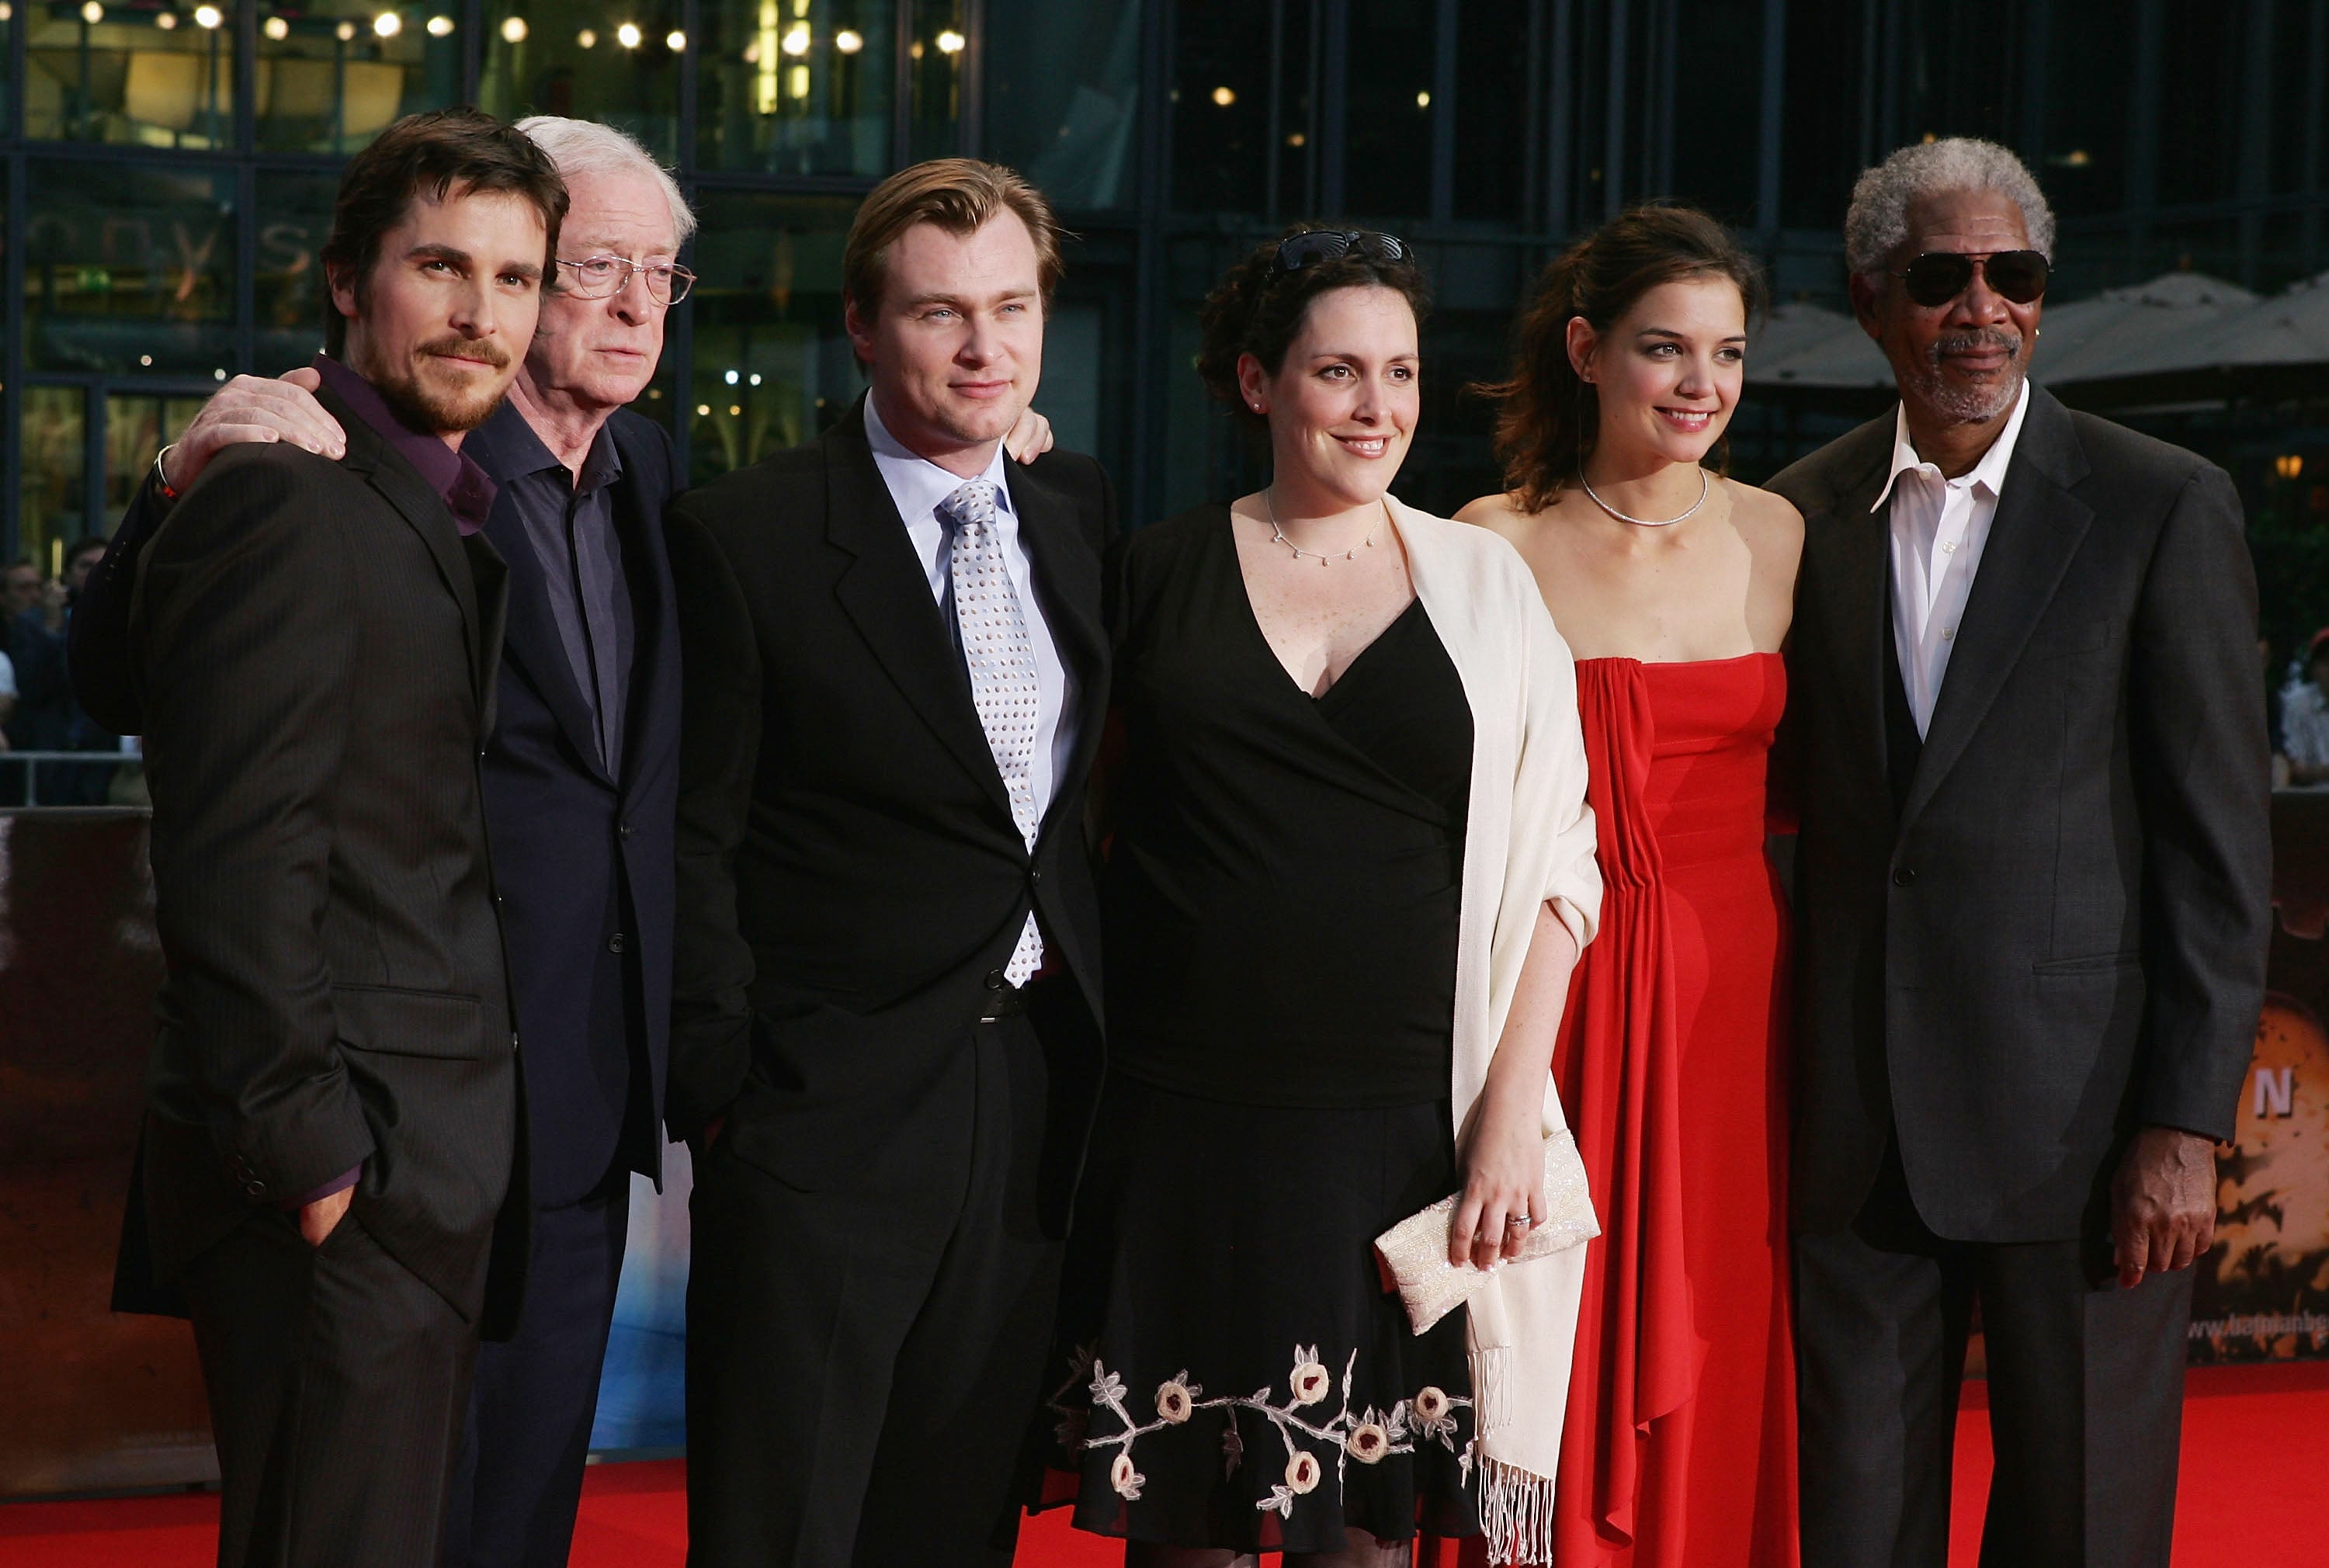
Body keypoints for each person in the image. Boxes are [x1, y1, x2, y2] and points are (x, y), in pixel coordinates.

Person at [77, 115, 746, 1568]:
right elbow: (218, 820)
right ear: (349, 279)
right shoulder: (311, 462)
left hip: (555, 1123)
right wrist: (310, 1151)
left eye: (661, 273)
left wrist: (994, 443)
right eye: (590, 266)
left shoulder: (660, 486)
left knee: (504, 1529)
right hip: (368, 1148)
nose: (628, 302)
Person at [1050, 227, 1601, 1568]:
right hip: (1185, 1126)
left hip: (1403, 1125)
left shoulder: (1486, 586)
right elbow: (1076, 823)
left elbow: (1558, 873)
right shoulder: (1151, 571)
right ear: (1257, 384)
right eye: (1339, 371)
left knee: (1362, 1537)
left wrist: (1511, 1125)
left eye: (1401, 373)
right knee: (1191, 1533)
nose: (1378, 407)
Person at [1766, 137, 2270, 1567]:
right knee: (1857, 1533)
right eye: (1941, 278)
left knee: (2084, 1531)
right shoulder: (1799, 516)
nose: (1980, 309)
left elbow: (2217, 849)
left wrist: (2185, 1123)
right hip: (1855, 1131)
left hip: (2089, 1128)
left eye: (2015, 275)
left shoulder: (2157, 502)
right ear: (1873, 302)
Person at [101, 108, 565, 1567]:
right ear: (348, 283)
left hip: (403, 1168)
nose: (481, 314)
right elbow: (237, 854)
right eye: (441, 266)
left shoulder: (420, 499)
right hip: (339, 1178)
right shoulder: (293, 496)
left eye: (515, 278)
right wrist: (311, 1160)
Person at [665, 158, 1112, 1567]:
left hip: (1036, 1099)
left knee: (958, 1519)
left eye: (1012, 307)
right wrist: (731, 1086)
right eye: (939, 313)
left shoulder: (1077, 517)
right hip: (825, 1109)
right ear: (863, 326)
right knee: (782, 1522)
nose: (984, 347)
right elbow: (695, 833)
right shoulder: (745, 536)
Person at [1450, 206, 1801, 1567]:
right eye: (1666, 350)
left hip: (1735, 1010)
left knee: (1717, 1325)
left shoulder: (1786, 534)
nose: (1702, 385)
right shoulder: (1489, 542)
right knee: (1545, 1319)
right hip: (1562, 990)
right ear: (1587, 352)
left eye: (1727, 352)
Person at [2275, 627, 2329, 782]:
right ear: (2314, 669)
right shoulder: (2298, 703)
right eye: (2326, 661)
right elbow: (2298, 769)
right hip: (2312, 802)